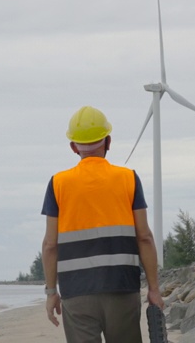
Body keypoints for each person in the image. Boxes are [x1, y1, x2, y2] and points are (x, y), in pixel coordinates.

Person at [42, 105, 163, 343]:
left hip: (76, 293)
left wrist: (50, 292)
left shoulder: (58, 183)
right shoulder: (128, 178)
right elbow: (145, 237)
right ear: (108, 141)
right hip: (122, 288)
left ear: (73, 146)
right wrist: (154, 289)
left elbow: (49, 245)